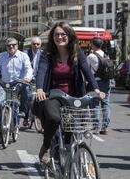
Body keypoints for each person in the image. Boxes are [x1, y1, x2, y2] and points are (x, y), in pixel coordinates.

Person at [35, 22, 103, 163]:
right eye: (56, 34)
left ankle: (69, 174)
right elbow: (41, 70)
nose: (59, 37)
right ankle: (46, 145)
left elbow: (87, 71)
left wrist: (96, 89)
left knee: (70, 132)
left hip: (74, 97)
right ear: (52, 37)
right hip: (53, 96)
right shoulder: (46, 54)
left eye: (63, 34)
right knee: (54, 118)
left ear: (69, 36)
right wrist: (39, 88)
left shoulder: (77, 52)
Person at [0, 38, 33, 141]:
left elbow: (28, 69)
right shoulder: (1, 56)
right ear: (6, 47)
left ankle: (21, 113)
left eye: (13, 45)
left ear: (17, 45)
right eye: (9, 45)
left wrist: (27, 78)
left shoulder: (23, 56)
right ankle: (2, 130)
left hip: (18, 84)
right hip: (4, 85)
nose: (11, 47)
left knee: (17, 102)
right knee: (0, 104)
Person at [86, 37, 111, 134]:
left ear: (93, 45)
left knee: (95, 104)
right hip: (106, 82)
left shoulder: (91, 56)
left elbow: (87, 71)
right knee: (106, 104)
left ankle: (96, 126)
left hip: (95, 83)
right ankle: (105, 127)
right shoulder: (106, 55)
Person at [21, 37, 43, 126]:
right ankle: (26, 116)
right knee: (27, 96)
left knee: (42, 97)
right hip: (28, 79)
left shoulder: (43, 54)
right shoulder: (25, 54)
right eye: (34, 44)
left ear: (40, 45)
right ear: (31, 44)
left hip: (39, 78)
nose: (36, 46)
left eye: (38, 44)